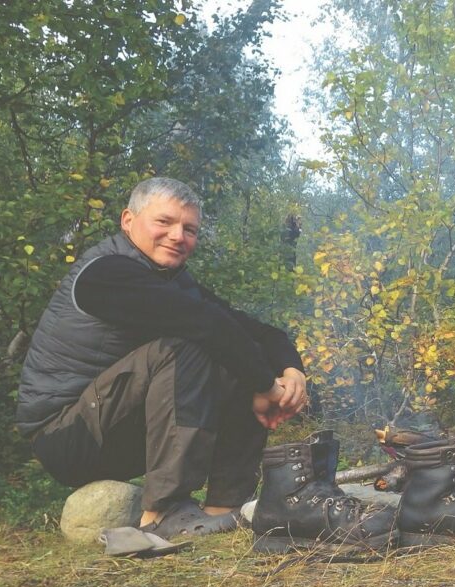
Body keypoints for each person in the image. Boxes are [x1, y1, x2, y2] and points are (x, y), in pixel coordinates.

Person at [16, 177, 308, 537]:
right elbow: (205, 324)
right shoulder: (106, 273)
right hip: (66, 437)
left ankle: (226, 507)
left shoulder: (172, 281)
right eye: (164, 222)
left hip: (118, 429)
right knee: (187, 346)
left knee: (235, 354)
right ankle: (164, 512)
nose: (177, 236)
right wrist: (266, 385)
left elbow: (253, 331)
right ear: (128, 221)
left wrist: (292, 372)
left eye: (190, 229)